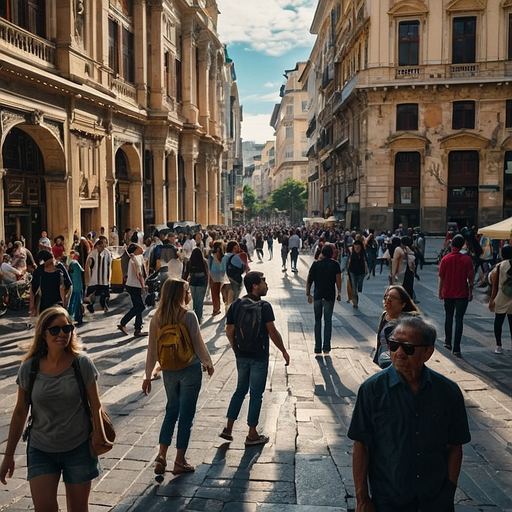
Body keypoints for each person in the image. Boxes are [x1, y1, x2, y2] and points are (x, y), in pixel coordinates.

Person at [348, 315, 471, 512]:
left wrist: (448, 490)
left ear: (427, 352)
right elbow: (361, 444)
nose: (399, 353)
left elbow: (455, 445)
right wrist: (362, 498)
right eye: (393, 345)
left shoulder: (447, 392)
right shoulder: (372, 390)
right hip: (388, 500)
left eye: (408, 348)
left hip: (434, 500)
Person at [0, 306, 102, 509]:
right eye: (55, 330)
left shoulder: (82, 364)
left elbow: (96, 405)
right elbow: (20, 412)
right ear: (43, 333)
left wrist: (98, 437)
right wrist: (9, 455)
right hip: (41, 448)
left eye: (67, 328)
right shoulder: (30, 367)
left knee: (79, 509)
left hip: (79, 447)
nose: (62, 334)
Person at [142, 278, 214, 475]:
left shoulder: (157, 317)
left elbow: (152, 350)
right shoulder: (188, 315)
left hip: (169, 371)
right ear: (180, 294)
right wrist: (208, 363)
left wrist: (147, 376)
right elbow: (198, 344)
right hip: (189, 367)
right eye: (186, 291)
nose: (189, 293)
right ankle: (179, 461)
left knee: (171, 411)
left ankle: (162, 455)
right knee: (186, 414)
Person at [219, 271, 290, 445]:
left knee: (240, 390)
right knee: (256, 394)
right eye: (263, 282)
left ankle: (228, 428)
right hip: (259, 355)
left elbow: (229, 330)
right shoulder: (264, 306)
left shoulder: (236, 304)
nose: (266, 285)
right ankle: (252, 433)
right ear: (255, 286)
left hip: (241, 355)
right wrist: (283, 351)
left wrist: (236, 348)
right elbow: (272, 332)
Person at [438, 234, 475, 358]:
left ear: (452, 244)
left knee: (448, 317)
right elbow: (471, 278)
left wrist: (440, 292)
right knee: (459, 320)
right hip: (462, 293)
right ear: (462, 244)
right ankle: (457, 348)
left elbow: (441, 277)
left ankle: (448, 342)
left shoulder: (445, 259)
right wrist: (471, 291)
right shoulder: (467, 260)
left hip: (448, 292)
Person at [305, 244, 342, 354]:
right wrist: (339, 292)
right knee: (328, 321)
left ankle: (317, 347)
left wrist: (308, 293)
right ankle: (326, 346)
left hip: (318, 295)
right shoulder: (335, 264)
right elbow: (338, 280)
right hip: (329, 296)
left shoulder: (316, 264)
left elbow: (309, 279)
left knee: (317, 321)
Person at [373, 284, 420, 368]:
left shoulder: (408, 322)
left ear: (403, 304)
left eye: (392, 298)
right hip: (384, 359)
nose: (388, 300)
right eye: (386, 297)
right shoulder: (384, 315)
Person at [117, 244, 148, 337]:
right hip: (134, 286)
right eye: (139, 247)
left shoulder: (137, 257)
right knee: (140, 307)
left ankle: (138, 329)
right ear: (135, 250)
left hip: (133, 285)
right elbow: (139, 273)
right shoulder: (135, 259)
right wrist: (143, 286)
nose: (142, 248)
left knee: (138, 307)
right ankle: (123, 322)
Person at [30, 250, 72, 315]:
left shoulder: (40, 270)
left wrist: (32, 306)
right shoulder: (59, 268)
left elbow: (33, 289)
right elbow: (68, 286)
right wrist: (65, 303)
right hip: (57, 304)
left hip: (46, 305)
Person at [488, 244, 512, 354]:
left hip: (501, 297)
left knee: (498, 322)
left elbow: (493, 282)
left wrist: (491, 300)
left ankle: (498, 346)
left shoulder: (499, 266)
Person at [84, 239, 112, 314]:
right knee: (93, 294)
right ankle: (91, 306)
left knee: (104, 294)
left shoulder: (107, 253)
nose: (101, 247)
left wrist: (109, 277)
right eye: (99, 246)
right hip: (94, 278)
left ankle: (104, 306)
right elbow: (88, 265)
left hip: (104, 279)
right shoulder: (92, 254)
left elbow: (109, 264)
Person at [183, 247, 209, 323]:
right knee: (200, 301)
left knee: (195, 301)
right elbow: (206, 272)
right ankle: (199, 317)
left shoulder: (189, 262)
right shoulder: (203, 262)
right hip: (202, 283)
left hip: (193, 282)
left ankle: (195, 317)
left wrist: (184, 282)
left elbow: (186, 273)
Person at [347, 239, 368, 309]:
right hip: (352, 271)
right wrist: (347, 269)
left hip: (361, 272)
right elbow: (349, 260)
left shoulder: (363, 253)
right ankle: (355, 301)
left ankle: (356, 297)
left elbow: (365, 261)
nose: (356, 249)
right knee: (354, 286)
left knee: (359, 287)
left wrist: (366, 270)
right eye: (355, 247)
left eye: (358, 248)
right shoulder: (352, 253)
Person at [68, 252, 84, 326]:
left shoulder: (74, 264)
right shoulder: (75, 264)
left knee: (74, 303)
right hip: (77, 287)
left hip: (75, 287)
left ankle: (74, 318)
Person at [208, 241, 225, 316]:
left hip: (215, 274)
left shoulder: (221, 255)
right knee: (216, 292)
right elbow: (216, 265)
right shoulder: (213, 255)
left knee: (216, 292)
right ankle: (216, 309)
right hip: (216, 274)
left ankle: (217, 308)